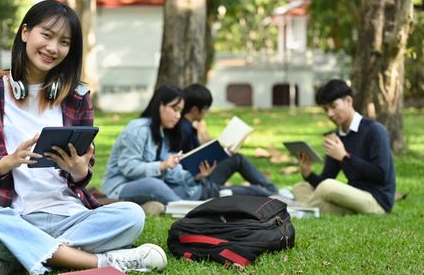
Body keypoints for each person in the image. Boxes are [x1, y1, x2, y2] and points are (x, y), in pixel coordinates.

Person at [0, 0, 166, 275]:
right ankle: (102, 262)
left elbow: (84, 172)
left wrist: (79, 170)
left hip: (71, 215)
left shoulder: (77, 97)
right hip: (16, 215)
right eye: (46, 35)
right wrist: (7, 162)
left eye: (64, 42)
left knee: (132, 215)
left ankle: (15, 258)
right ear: (25, 33)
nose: (53, 48)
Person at [100, 85, 279, 208]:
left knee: (184, 187)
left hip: (158, 184)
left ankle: (188, 202)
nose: (178, 115)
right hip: (120, 187)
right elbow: (128, 168)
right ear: (160, 105)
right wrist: (162, 166)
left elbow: (171, 171)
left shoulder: (162, 133)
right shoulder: (137, 129)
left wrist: (195, 177)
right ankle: (186, 208)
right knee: (154, 185)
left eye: (180, 110)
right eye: (174, 109)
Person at [292, 79, 395, 215]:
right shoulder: (336, 137)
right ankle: (316, 209)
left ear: (348, 101)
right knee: (301, 187)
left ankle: (302, 208)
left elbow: (380, 174)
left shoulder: (375, 130)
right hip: (351, 197)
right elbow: (326, 178)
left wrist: (345, 157)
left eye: (333, 106)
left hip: (376, 200)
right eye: (325, 109)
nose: (330, 114)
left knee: (327, 187)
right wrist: (308, 174)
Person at [181, 84, 280, 198]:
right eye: (205, 109)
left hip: (204, 175)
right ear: (194, 110)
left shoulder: (189, 127)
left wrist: (221, 152)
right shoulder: (184, 130)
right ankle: (273, 193)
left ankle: (272, 190)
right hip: (201, 181)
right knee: (254, 191)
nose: (206, 113)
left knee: (237, 158)